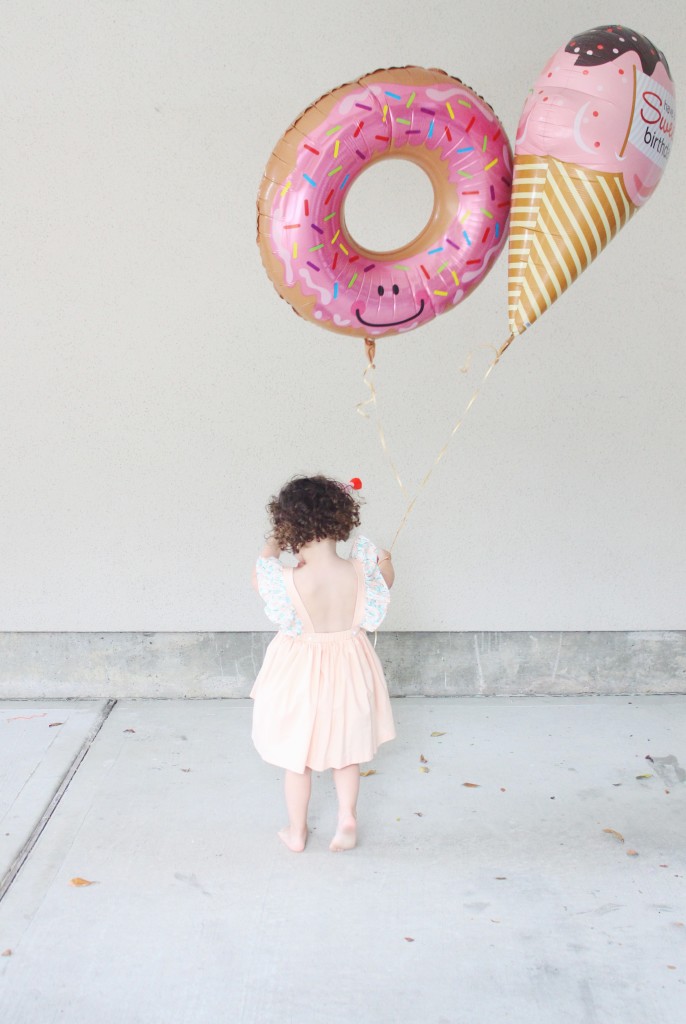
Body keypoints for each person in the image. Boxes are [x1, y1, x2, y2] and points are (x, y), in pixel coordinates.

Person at [250, 475, 396, 853]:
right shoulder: (361, 571)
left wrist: (272, 543)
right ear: (342, 521)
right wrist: (386, 561)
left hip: (300, 672)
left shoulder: (287, 581)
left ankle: (296, 831)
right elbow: (386, 582)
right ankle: (347, 817)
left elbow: (259, 576)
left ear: (288, 527)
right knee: (346, 750)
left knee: (297, 758)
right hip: (350, 666)